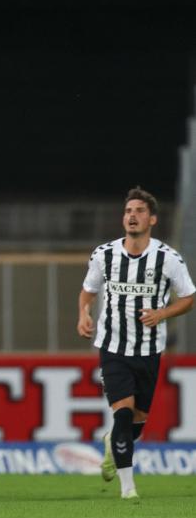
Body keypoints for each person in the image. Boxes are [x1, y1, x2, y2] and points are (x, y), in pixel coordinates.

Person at [76, 187, 194, 500]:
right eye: (129, 211)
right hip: (113, 347)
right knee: (124, 415)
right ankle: (128, 489)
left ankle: (112, 443)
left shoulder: (168, 259)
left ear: (152, 219)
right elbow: (88, 289)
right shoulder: (104, 254)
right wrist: (83, 313)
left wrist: (162, 313)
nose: (132, 216)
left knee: (137, 423)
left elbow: (189, 298)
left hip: (149, 350)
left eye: (140, 211)